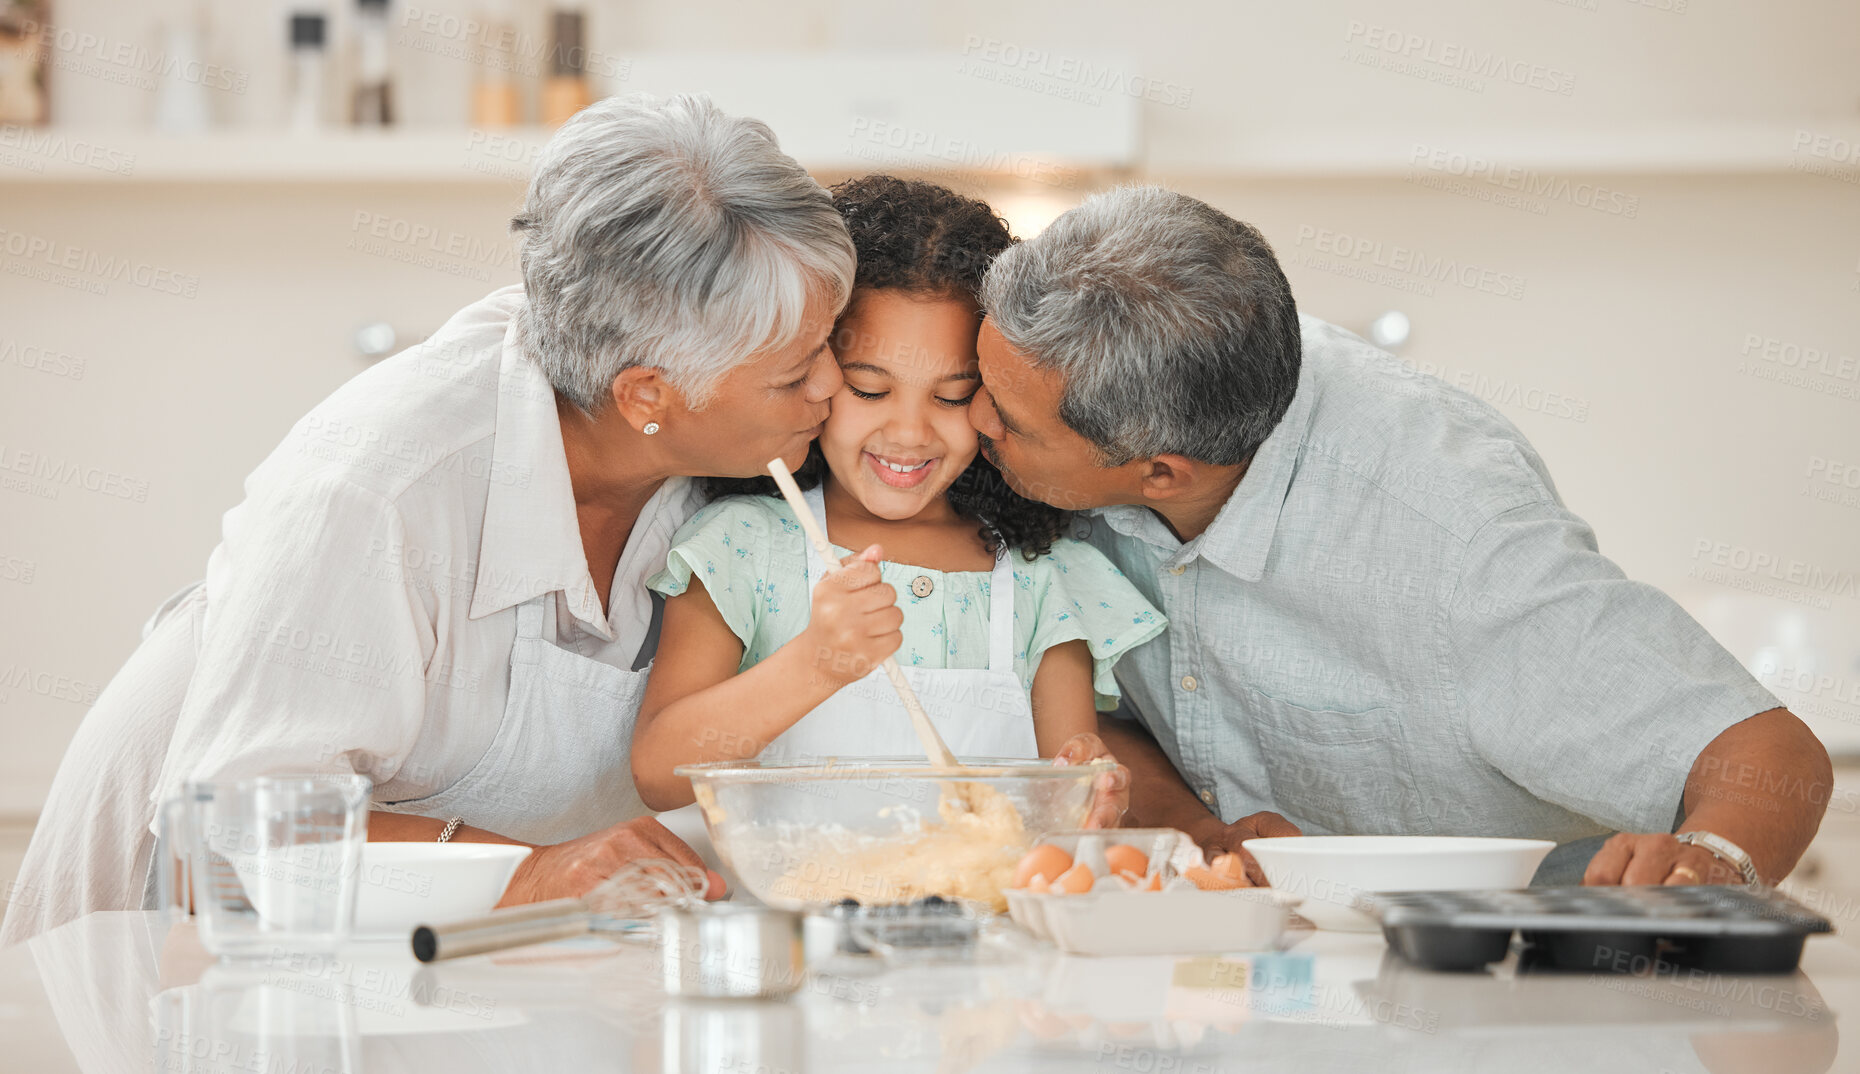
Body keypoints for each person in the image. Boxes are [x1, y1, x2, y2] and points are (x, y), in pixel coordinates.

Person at [7, 96, 862, 945]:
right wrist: (533, 872)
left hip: (438, 958)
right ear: (647, 394)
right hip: (172, 929)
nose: (833, 384)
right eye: (795, 375)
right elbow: (236, 839)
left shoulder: (716, 461)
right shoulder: (378, 487)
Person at [967, 185, 1832, 887]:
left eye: (1006, 418)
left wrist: (1714, 867)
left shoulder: (1458, 541)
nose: (970, 423)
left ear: (1162, 473)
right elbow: (1099, 711)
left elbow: (1767, 753)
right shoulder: (1130, 400)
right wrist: (1198, 830)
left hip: (1514, 990)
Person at [631, 177, 1165, 810]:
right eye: (870, 390)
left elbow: (1067, 788)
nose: (910, 433)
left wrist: (1090, 795)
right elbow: (661, 773)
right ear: (815, 369)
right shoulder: (741, 548)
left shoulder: (1043, 577)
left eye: (951, 396)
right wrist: (818, 662)